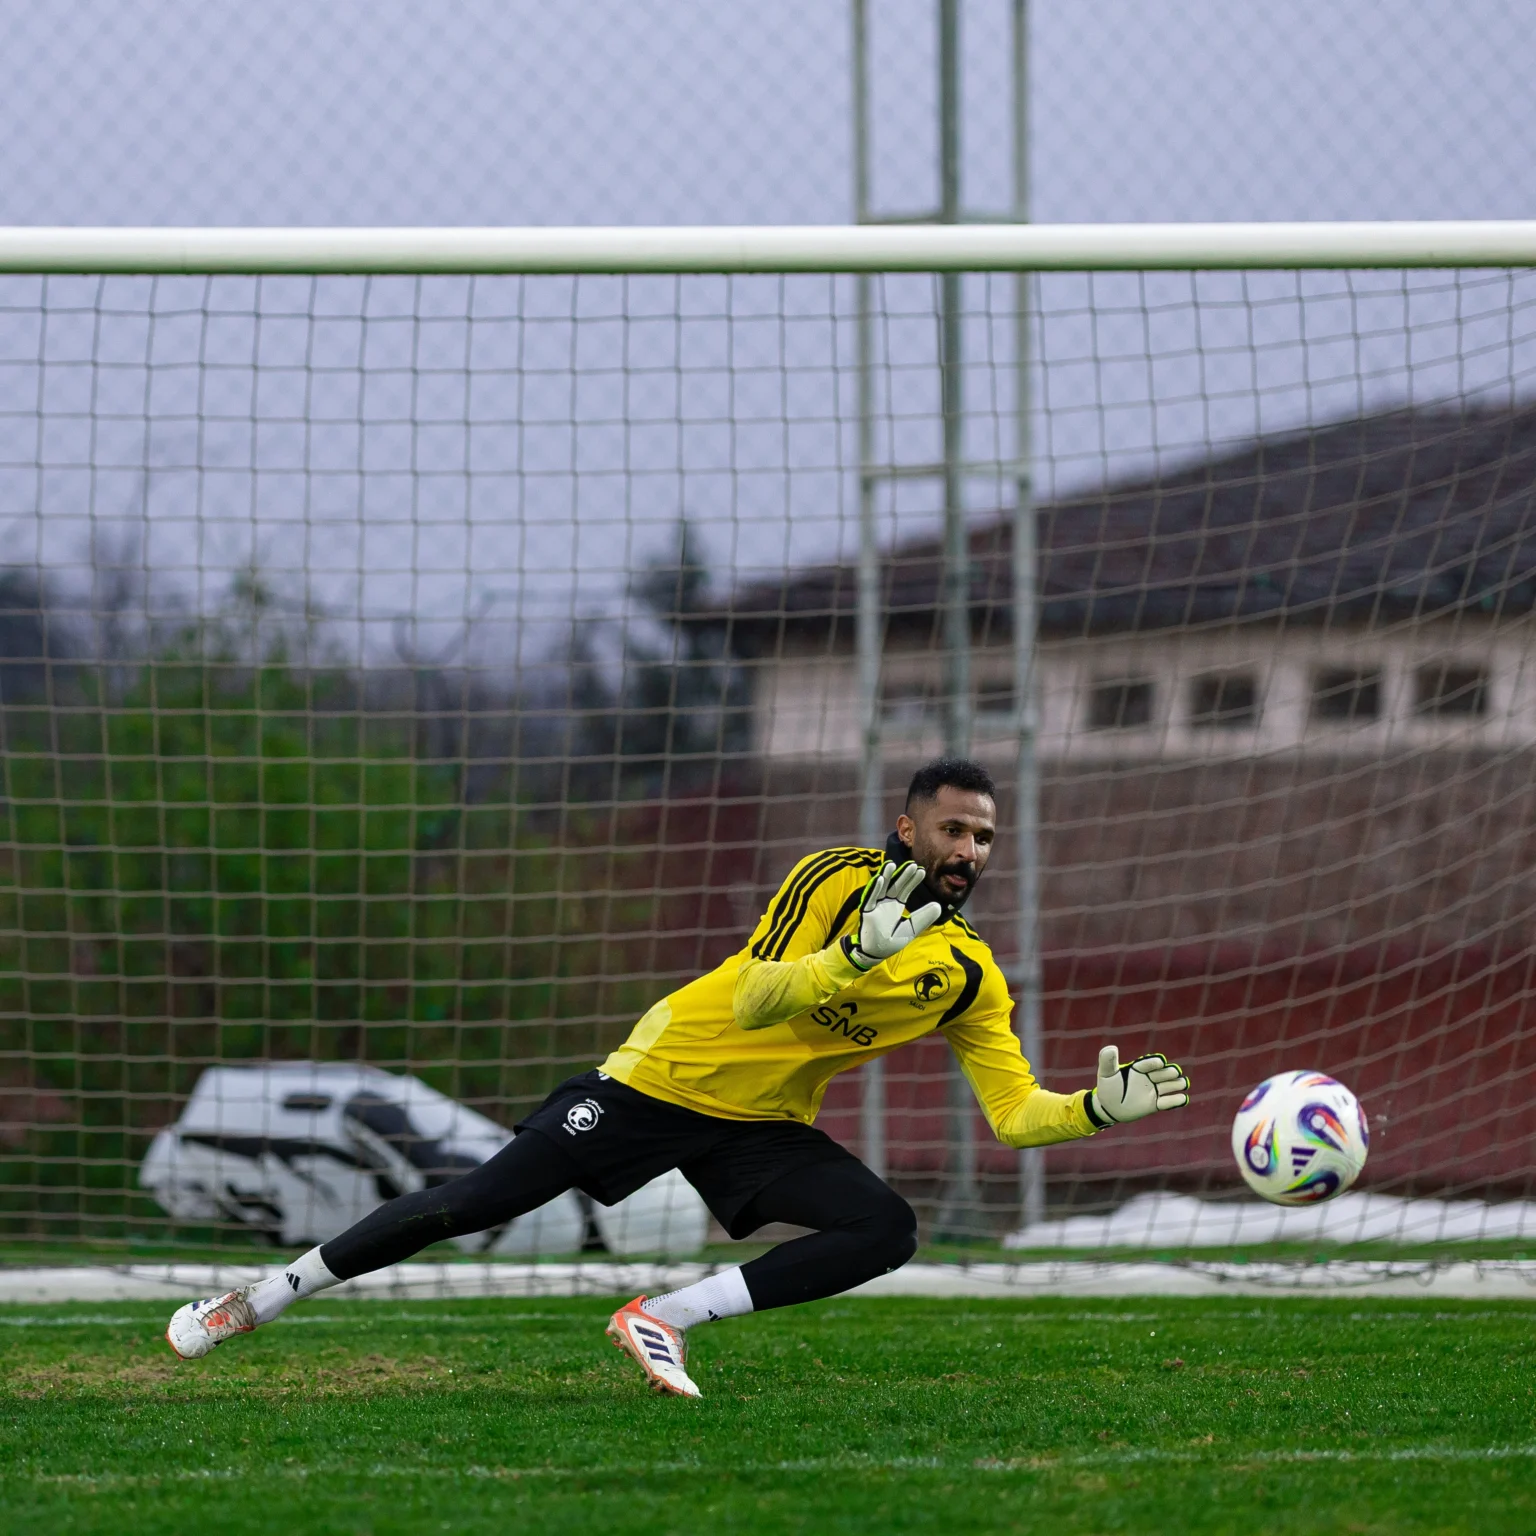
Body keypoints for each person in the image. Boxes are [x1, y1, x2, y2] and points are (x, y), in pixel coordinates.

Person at [165, 756, 1190, 1397]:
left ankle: (665, 1318)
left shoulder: (967, 973)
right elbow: (753, 1001)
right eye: (955, 828)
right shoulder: (833, 879)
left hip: (757, 1128)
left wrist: (1094, 1111)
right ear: (909, 825)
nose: (969, 849)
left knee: (886, 1228)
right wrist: (852, 961)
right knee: (472, 1202)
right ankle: (262, 1296)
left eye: (985, 837)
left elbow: (1015, 1115)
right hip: (654, 1082)